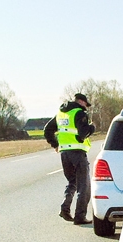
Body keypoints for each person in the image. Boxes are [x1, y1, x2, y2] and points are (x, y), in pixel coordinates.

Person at [44, 93, 96, 224]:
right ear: (81, 102)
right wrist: (92, 127)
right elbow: (83, 133)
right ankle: (80, 216)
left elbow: (47, 130)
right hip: (78, 153)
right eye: (85, 104)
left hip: (64, 153)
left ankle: (65, 209)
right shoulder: (79, 113)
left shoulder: (61, 113)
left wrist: (55, 144)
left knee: (72, 182)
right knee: (84, 185)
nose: (86, 107)